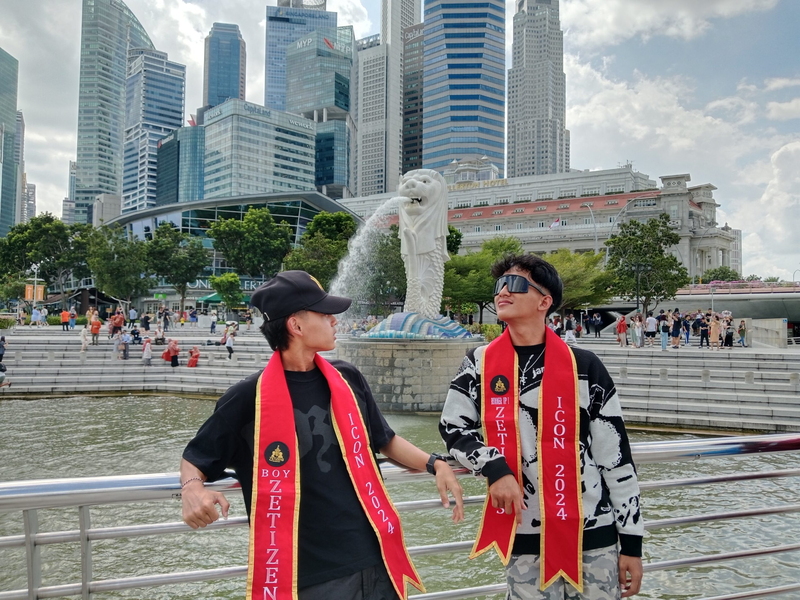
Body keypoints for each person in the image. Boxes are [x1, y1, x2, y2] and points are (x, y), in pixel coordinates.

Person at [180, 270, 464, 600]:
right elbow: (195, 458)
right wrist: (192, 488)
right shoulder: (248, 397)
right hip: (313, 575)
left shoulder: (347, 378)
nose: (334, 320)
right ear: (296, 326)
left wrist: (435, 463)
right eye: (324, 313)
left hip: (377, 556)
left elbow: (384, 440)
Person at [439, 254, 643, 600]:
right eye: (499, 285)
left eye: (515, 284)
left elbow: (616, 458)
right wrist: (494, 468)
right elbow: (453, 429)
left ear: (544, 302)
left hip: (593, 535)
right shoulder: (478, 363)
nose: (502, 292)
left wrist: (632, 543)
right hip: (522, 532)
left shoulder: (584, 366)